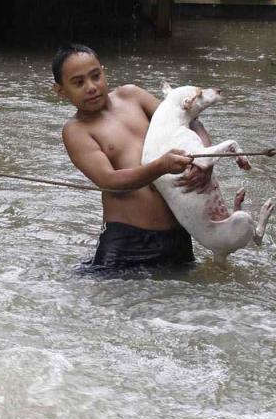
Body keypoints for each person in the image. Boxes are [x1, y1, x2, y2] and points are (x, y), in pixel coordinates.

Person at [52, 43, 213, 272]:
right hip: (127, 242)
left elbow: (189, 119)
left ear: (103, 71)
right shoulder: (76, 130)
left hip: (178, 233)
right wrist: (161, 166)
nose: (91, 87)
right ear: (60, 91)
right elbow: (109, 180)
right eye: (78, 83)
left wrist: (204, 159)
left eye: (95, 76)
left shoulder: (132, 96)